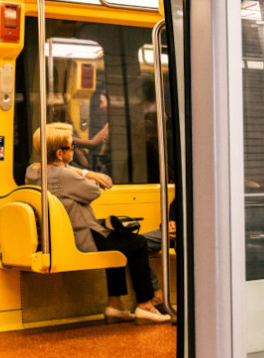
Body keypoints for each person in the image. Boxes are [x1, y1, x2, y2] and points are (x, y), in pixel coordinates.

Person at [25, 125, 170, 325]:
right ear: (60, 154)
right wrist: (89, 175)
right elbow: (94, 191)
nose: (75, 148)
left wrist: (78, 171)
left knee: (118, 240)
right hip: (84, 238)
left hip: (67, 236)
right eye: (72, 145)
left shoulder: (32, 172)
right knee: (137, 243)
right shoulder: (65, 176)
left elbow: (57, 170)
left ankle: (116, 306)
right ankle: (145, 305)